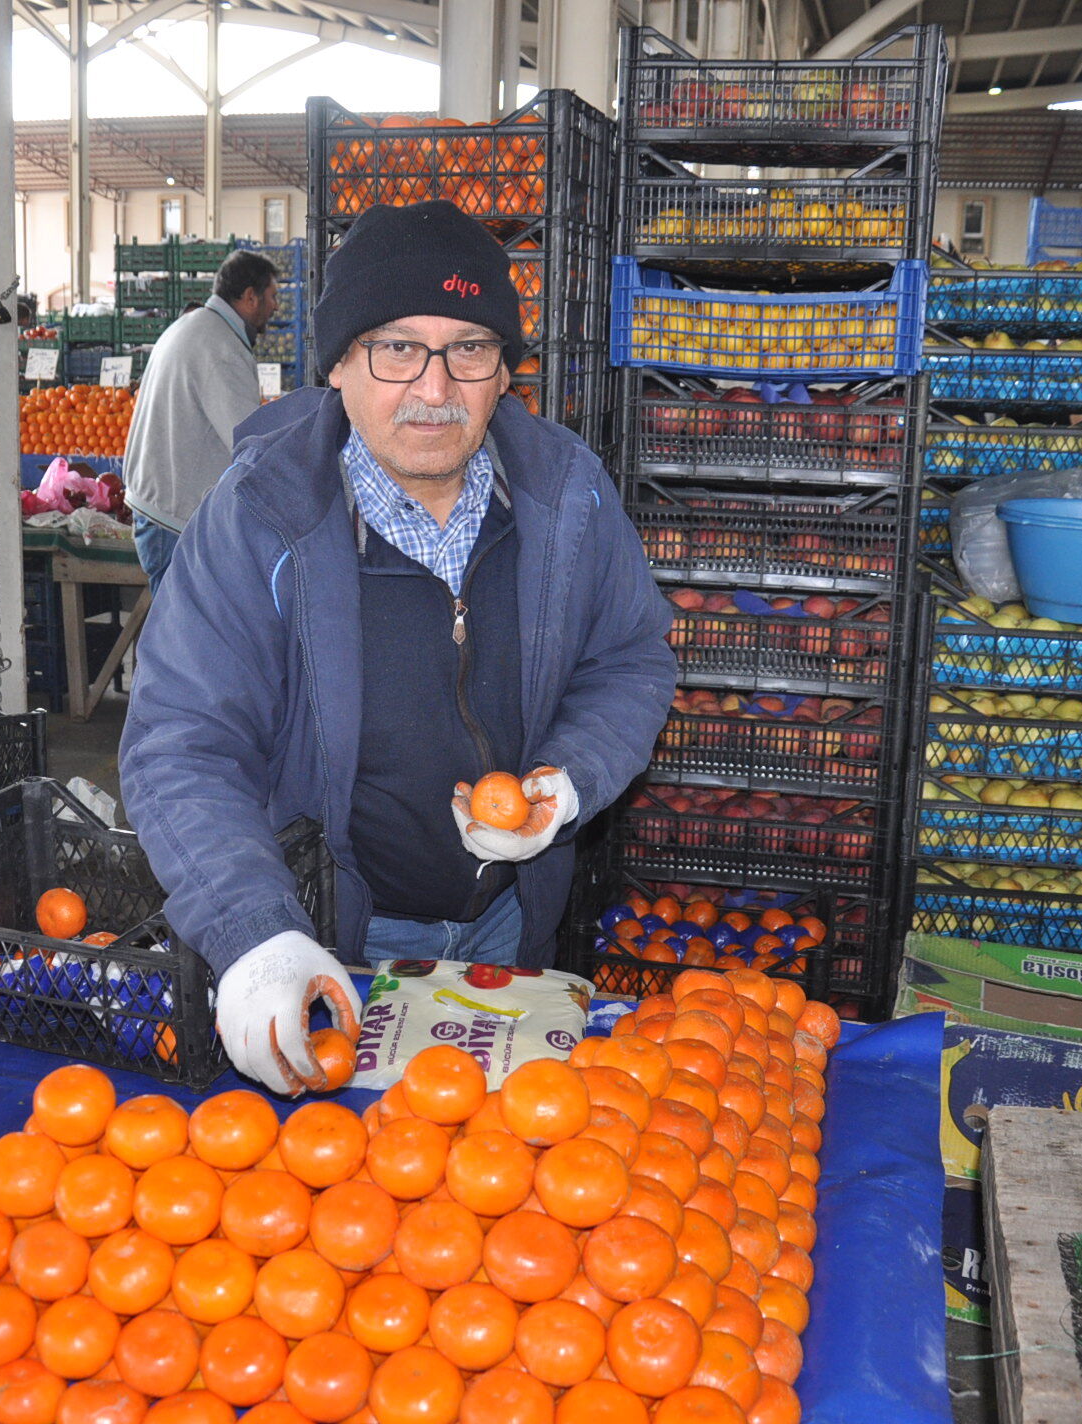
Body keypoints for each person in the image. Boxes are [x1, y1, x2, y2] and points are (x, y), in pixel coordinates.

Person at [119, 200, 675, 1093]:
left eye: (470, 349)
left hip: (511, 929)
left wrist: (568, 780)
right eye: (396, 347)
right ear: (339, 362)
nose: (435, 387)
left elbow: (631, 658)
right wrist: (255, 930)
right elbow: (182, 742)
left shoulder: (567, 495)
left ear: (503, 374)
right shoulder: (261, 518)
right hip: (331, 941)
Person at [122, 250, 280, 589]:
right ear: (250, 297)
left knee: (178, 631)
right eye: (272, 296)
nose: (276, 306)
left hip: (159, 508)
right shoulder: (220, 346)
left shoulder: (196, 326)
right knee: (182, 637)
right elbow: (248, 439)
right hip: (173, 520)